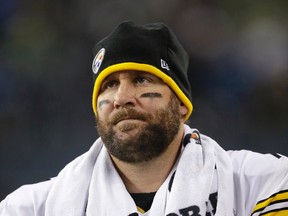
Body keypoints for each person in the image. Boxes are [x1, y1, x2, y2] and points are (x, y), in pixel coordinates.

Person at [1, 21, 288, 216]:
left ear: (181, 106)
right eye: (109, 85)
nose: (121, 97)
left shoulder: (260, 183)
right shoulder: (30, 208)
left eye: (141, 80)